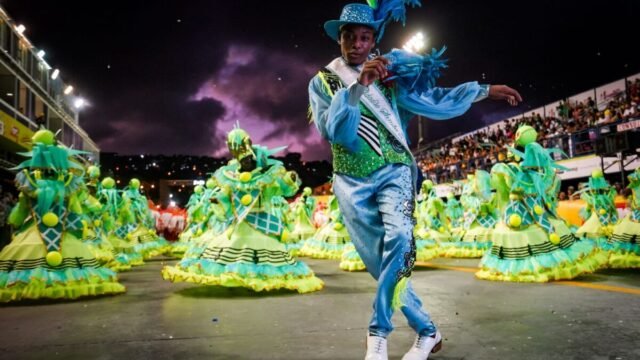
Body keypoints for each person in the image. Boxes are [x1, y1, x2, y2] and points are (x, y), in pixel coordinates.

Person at [308, 2, 522, 359]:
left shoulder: (391, 74)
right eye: (350, 37)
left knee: (402, 240)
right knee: (381, 263)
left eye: (364, 37)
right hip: (350, 180)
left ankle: (377, 333)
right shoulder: (322, 83)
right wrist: (359, 87)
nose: (357, 45)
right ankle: (427, 330)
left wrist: (484, 90)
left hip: (394, 170)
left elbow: (432, 99)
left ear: (374, 39)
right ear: (340, 39)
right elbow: (337, 132)